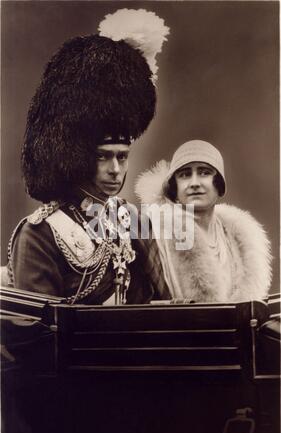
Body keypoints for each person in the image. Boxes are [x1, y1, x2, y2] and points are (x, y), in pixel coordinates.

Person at [6, 8, 171, 305]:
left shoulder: (132, 220)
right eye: (103, 157)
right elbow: (35, 336)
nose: (115, 170)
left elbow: (164, 304)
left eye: (122, 157)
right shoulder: (39, 234)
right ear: (76, 155)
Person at [135, 139, 272, 302]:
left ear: (219, 184)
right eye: (185, 174)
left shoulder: (236, 238)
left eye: (204, 172)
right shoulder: (153, 236)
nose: (194, 183)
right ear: (175, 187)